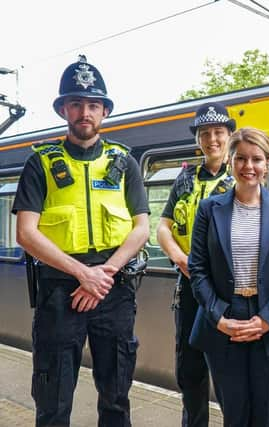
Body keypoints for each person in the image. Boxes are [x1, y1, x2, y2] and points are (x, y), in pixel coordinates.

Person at [12, 55, 150, 426]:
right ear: (64, 111)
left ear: (104, 111)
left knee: (116, 397)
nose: (84, 112)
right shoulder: (40, 163)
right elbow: (26, 232)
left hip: (114, 289)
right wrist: (82, 274)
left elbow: (141, 228)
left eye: (92, 105)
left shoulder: (125, 163)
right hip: (59, 292)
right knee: (53, 401)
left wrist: (102, 274)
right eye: (76, 104)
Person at [188, 126, 269, 427]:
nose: (248, 167)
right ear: (230, 161)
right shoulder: (209, 209)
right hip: (225, 320)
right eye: (240, 158)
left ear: (267, 163)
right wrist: (219, 317)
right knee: (235, 415)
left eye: (256, 159)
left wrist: (268, 318)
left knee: (268, 416)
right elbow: (197, 268)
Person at [156, 102, 235, 427]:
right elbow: (163, 227)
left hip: (228, 290)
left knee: (230, 371)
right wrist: (179, 257)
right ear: (198, 139)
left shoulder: (241, 175)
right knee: (190, 371)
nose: (212, 139)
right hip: (189, 287)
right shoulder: (185, 178)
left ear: (229, 135)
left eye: (218, 132)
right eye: (205, 133)